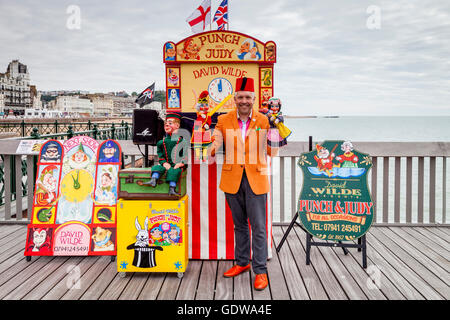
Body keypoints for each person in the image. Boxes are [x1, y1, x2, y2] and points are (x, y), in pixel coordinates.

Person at [209, 77, 277, 291]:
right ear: (234, 99)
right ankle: (242, 263)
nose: (244, 100)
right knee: (239, 225)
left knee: (258, 227)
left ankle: (260, 271)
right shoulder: (223, 119)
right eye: (240, 97)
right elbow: (215, 143)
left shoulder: (265, 120)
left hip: (256, 177)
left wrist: (275, 130)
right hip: (232, 178)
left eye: (248, 97)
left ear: (254, 99)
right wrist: (208, 144)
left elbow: (272, 151)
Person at [146, 112, 188, 196]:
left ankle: (172, 188)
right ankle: (153, 180)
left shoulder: (182, 141)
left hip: (176, 165)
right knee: (157, 167)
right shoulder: (161, 142)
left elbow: (184, 156)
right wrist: (164, 163)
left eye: (170, 123)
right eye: (166, 123)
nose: (167, 125)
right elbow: (160, 155)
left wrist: (180, 164)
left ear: (177, 126)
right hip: (165, 164)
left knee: (174, 171)